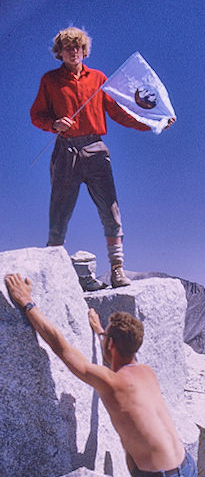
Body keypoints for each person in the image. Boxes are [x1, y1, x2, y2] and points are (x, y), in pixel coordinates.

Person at [5, 273, 197, 477]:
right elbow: (121, 356)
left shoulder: (112, 383)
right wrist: (100, 331)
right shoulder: (145, 372)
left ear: (110, 344)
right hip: (186, 468)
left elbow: (60, 346)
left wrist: (27, 302)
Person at [30, 26, 175, 290]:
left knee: (110, 209)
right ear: (59, 53)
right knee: (59, 212)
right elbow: (36, 115)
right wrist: (53, 124)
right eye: (67, 47)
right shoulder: (50, 81)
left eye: (77, 47)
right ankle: (52, 273)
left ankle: (117, 270)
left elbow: (119, 113)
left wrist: (155, 121)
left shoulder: (98, 79)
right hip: (65, 151)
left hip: (96, 149)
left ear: (84, 51)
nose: (73, 51)